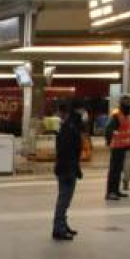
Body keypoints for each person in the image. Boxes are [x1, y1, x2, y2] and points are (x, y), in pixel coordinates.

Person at [52, 99, 87, 241]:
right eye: (82, 110)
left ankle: (62, 225)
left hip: (68, 167)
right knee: (64, 199)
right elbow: (66, 151)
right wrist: (69, 169)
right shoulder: (69, 127)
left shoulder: (71, 126)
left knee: (66, 199)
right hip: (67, 168)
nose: (84, 113)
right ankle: (58, 229)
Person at [105, 93, 130, 200]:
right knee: (114, 170)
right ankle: (110, 192)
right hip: (117, 147)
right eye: (127, 101)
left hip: (122, 146)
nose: (129, 104)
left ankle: (116, 190)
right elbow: (109, 130)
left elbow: (125, 130)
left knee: (118, 169)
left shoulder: (125, 115)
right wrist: (109, 143)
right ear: (122, 103)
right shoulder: (117, 115)